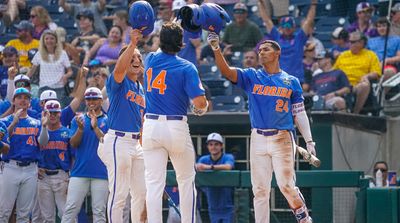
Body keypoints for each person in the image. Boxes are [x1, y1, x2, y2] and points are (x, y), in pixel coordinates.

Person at [207, 34, 315, 223]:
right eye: (260, 50)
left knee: (286, 186)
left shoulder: (291, 81)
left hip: (282, 136)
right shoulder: (252, 75)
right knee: (259, 190)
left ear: (277, 53)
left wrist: (309, 141)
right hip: (257, 136)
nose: (261, 52)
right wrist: (216, 49)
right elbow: (227, 72)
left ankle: (304, 218)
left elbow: (300, 114)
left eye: (266, 49)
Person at [142, 22, 208, 223]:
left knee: (154, 184)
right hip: (175, 125)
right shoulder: (187, 67)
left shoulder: (150, 59)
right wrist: (200, 109)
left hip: (151, 126)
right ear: (181, 43)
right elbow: (200, 103)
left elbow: (163, 45)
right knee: (186, 181)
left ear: (160, 41)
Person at [98, 30, 147, 222]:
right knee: (119, 195)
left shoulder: (141, 88)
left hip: (136, 143)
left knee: (141, 194)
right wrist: (132, 44)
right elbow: (119, 69)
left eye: (138, 58)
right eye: (132, 57)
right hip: (118, 140)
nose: (136, 60)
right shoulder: (117, 81)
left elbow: (142, 121)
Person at [61, 87, 109, 223]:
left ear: (101, 100)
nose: (91, 102)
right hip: (79, 171)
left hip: (101, 172)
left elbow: (107, 144)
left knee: (99, 212)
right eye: (88, 99)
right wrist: (81, 129)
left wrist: (95, 128)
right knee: (70, 209)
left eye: (94, 99)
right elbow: (73, 144)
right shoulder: (78, 119)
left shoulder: (108, 120)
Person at [0, 88, 41, 222]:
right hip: (10, 167)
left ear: (29, 102)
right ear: (13, 101)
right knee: (3, 212)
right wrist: (14, 123)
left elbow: (43, 145)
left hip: (31, 169)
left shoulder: (36, 123)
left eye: (26, 97)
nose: (23, 100)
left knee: (24, 214)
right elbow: (4, 148)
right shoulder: (4, 121)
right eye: (19, 97)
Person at [258, 0, 317, 84]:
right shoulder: (276, 37)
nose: (287, 28)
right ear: (281, 28)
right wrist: (260, 3)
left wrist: (314, 4)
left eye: (289, 25)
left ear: (294, 27)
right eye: (284, 26)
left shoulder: (299, 38)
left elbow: (309, 20)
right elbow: (267, 20)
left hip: (296, 78)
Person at [36, 100, 72, 222]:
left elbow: (73, 157)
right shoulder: (40, 130)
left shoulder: (67, 132)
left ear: (60, 114)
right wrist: (44, 126)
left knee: (66, 215)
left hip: (61, 176)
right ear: (44, 114)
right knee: (47, 218)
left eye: (55, 112)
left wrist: (71, 177)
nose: (52, 115)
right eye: (49, 113)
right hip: (43, 177)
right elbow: (42, 143)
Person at [333, 31, 381, 114]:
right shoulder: (343, 55)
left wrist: (366, 76)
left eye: (352, 42)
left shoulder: (371, 55)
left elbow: (376, 73)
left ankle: (355, 113)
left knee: (365, 85)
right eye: (349, 42)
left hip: (356, 85)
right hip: (341, 85)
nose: (349, 44)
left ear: (361, 43)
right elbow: (334, 71)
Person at [27, 29, 73, 106]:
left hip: (58, 87)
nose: (49, 41)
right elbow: (32, 71)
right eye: (47, 39)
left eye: (52, 38)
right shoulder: (39, 54)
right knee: (42, 111)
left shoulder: (63, 53)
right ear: (43, 41)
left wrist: (65, 76)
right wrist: (24, 80)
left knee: (58, 111)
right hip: (43, 87)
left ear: (56, 41)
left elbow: (70, 71)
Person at [196, 132, 235, 223]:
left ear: (221, 146)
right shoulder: (204, 159)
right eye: (211, 144)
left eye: (216, 144)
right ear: (208, 147)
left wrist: (209, 167)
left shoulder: (227, 157)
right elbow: (197, 171)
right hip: (212, 205)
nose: (213, 147)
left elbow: (228, 167)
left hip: (228, 206)